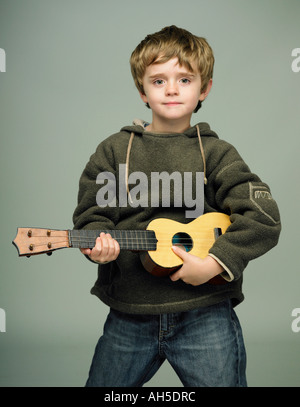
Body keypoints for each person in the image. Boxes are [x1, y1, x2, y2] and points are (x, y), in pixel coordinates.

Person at [72, 25, 281, 387]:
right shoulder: (113, 151)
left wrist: (214, 262)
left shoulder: (217, 154)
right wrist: (96, 245)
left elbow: (262, 217)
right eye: (158, 81)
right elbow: (92, 216)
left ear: (205, 88)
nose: (171, 89)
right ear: (142, 90)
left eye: (185, 79)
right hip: (129, 313)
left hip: (206, 313)